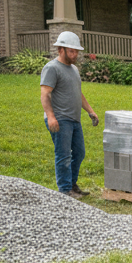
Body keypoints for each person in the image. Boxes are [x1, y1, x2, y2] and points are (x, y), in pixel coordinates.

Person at [39, 31, 98, 198]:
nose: (75, 54)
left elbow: (78, 93)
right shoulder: (52, 68)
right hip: (60, 119)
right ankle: (65, 191)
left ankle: (71, 185)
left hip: (74, 119)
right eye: (71, 51)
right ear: (61, 49)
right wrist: (51, 117)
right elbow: (45, 94)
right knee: (63, 155)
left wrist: (90, 111)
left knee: (79, 153)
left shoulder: (74, 69)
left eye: (76, 51)